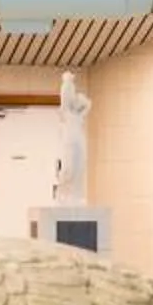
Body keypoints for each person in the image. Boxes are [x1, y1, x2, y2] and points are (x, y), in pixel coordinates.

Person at [51, 69, 91, 205]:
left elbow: (88, 105)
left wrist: (80, 101)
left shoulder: (78, 115)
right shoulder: (66, 111)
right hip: (69, 140)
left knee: (79, 168)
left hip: (78, 140)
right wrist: (67, 82)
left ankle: (75, 195)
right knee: (68, 168)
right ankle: (62, 192)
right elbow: (65, 97)